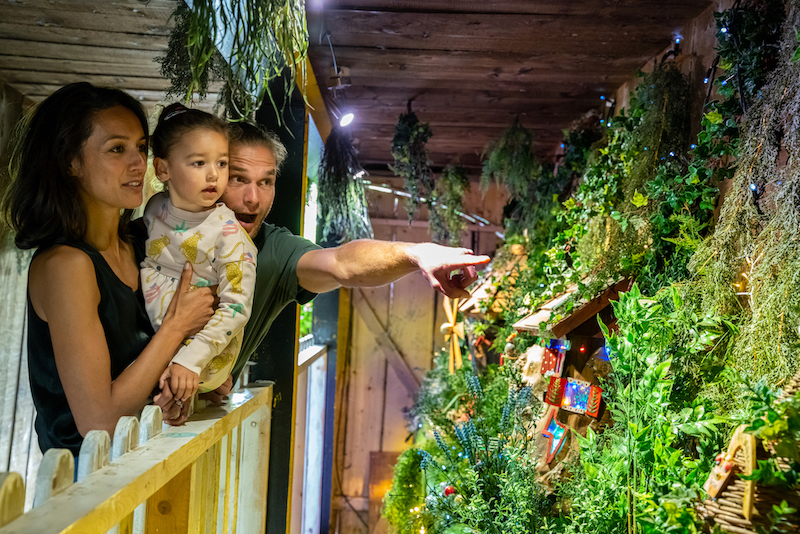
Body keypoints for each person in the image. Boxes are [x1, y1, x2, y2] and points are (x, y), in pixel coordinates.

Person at [155, 122, 491, 415]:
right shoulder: (156, 230)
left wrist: (418, 253)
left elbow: (342, 263)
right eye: (239, 179)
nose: (253, 198)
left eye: (266, 181)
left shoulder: (273, 251)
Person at [1, 82, 215, 455]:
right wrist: (176, 326)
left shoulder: (140, 244)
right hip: (82, 491)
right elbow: (98, 421)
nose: (138, 163)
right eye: (117, 149)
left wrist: (175, 390)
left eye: (141, 148)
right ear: (71, 161)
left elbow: (148, 375)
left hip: (141, 473)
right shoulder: (65, 265)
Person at [141, 103, 257, 406]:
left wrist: (191, 361)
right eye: (198, 163)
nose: (213, 175)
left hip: (198, 356)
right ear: (163, 169)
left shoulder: (231, 237)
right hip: (156, 342)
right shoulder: (155, 209)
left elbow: (236, 309)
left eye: (221, 163)